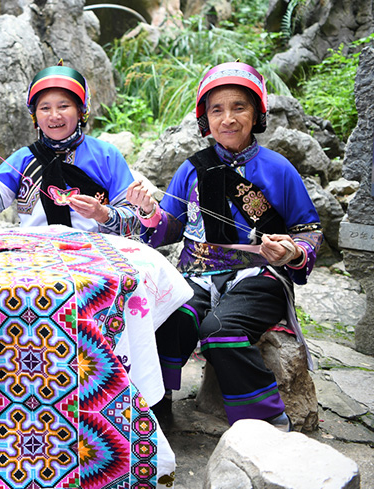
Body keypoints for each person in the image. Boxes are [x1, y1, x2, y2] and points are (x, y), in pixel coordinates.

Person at [126, 62, 324, 431]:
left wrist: (292, 252)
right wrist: (150, 212)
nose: (228, 119)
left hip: (261, 276)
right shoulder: (191, 169)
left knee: (221, 331)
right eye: (217, 109)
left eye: (239, 107)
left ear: (256, 114)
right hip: (196, 274)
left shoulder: (279, 169)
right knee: (167, 320)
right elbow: (170, 228)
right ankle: (155, 409)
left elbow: (308, 230)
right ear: (206, 119)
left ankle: (264, 423)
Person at [0, 65, 139, 236]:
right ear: (35, 117)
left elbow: (137, 220)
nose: (54, 116)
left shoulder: (106, 156)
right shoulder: (24, 159)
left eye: (64, 106)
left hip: (95, 256)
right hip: (36, 257)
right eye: (45, 108)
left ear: (81, 111)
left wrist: (103, 214)